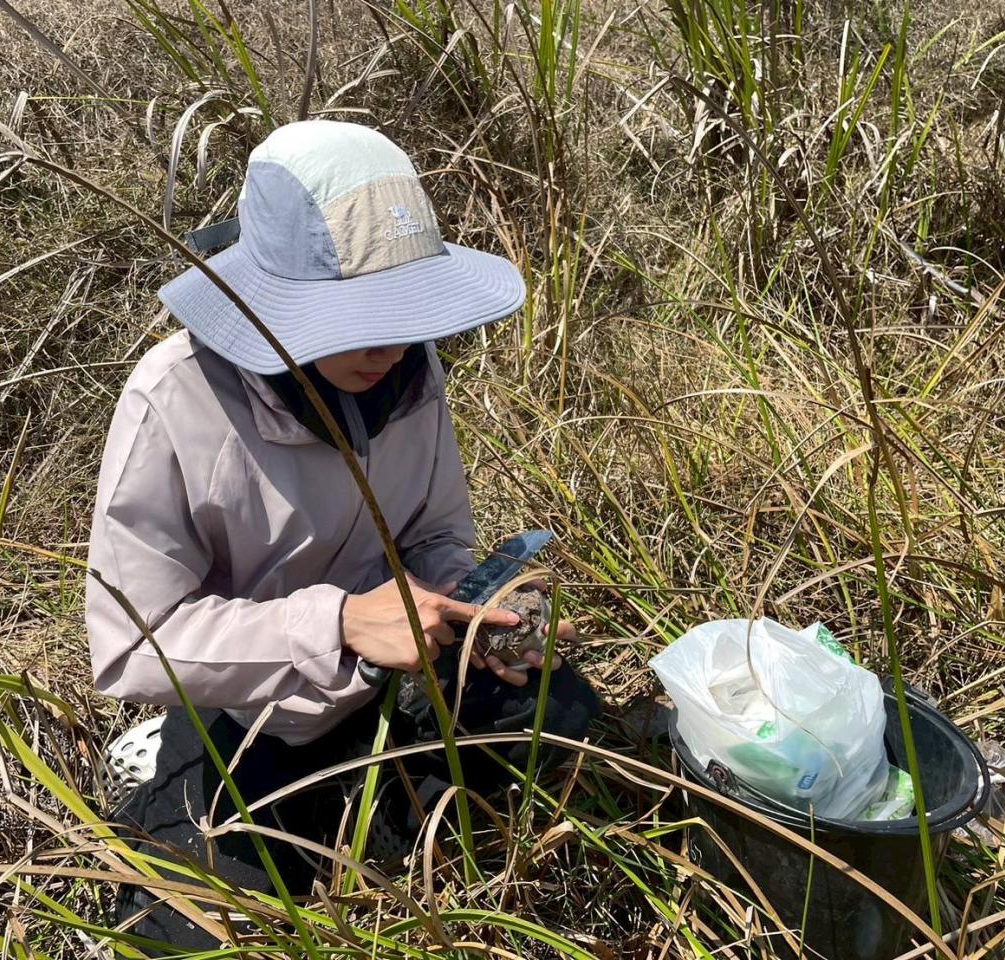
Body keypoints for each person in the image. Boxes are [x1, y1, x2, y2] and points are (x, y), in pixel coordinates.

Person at [84, 120, 599, 948]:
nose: (388, 347)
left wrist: (482, 614)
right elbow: (131, 646)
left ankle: (389, 800)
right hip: (245, 713)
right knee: (178, 933)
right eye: (356, 320)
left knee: (567, 721)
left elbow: (435, 533)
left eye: (403, 313)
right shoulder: (174, 399)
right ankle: (160, 758)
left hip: (396, 674)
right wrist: (336, 624)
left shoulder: (408, 370)